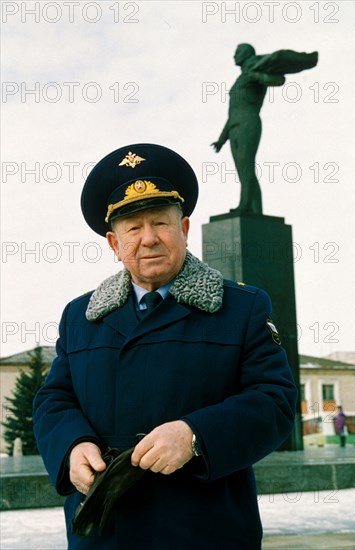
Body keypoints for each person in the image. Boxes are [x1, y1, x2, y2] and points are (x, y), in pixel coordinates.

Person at [33, 143, 297, 549]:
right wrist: (72, 445)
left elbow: (274, 401)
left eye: (160, 223)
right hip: (105, 532)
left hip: (204, 529)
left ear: (185, 229)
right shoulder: (81, 316)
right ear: (113, 243)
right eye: (133, 229)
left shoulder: (241, 307)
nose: (149, 239)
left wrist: (196, 436)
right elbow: (55, 398)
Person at [212, 44, 318, 214]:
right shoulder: (240, 79)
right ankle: (255, 209)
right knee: (244, 170)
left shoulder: (253, 71)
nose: (234, 56)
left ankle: (245, 205)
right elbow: (233, 112)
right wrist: (221, 139)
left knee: (247, 167)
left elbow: (278, 80)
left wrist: (255, 75)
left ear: (246, 54)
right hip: (234, 127)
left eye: (237, 52)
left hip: (249, 122)